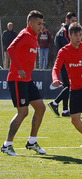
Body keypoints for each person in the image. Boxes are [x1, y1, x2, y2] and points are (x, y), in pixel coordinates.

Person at [1, 10, 46, 156]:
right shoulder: (25, 34)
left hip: (27, 80)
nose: (41, 27)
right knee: (23, 112)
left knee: (40, 108)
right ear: (30, 23)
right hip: (16, 79)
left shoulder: (34, 37)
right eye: (38, 24)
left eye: (42, 24)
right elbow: (10, 48)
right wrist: (19, 69)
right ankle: (7, 145)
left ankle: (32, 142)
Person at [48, 12, 77, 117]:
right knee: (69, 85)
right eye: (72, 21)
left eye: (75, 21)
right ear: (67, 20)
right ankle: (55, 103)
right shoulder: (64, 32)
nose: (74, 23)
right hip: (65, 62)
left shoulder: (68, 31)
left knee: (67, 85)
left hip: (67, 62)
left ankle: (65, 110)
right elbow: (68, 47)